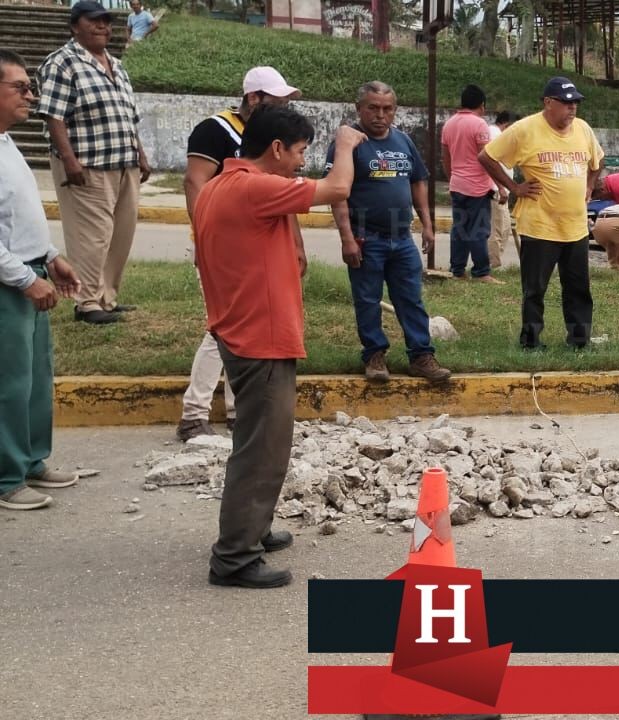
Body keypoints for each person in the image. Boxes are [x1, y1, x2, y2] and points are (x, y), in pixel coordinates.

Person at [193, 106, 364, 588]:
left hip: (239, 331)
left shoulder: (221, 185)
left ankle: (255, 530)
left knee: (256, 442)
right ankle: (235, 558)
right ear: (275, 149)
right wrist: (346, 146)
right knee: (262, 451)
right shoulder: (254, 186)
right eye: (300, 152)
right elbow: (338, 189)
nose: (301, 162)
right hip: (259, 338)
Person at [176, 66, 301, 442]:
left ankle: (238, 410)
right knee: (223, 330)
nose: (283, 108)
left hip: (261, 246)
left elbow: (282, 192)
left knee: (250, 331)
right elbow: (195, 182)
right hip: (227, 248)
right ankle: (194, 412)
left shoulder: (270, 138)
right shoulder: (215, 130)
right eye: (276, 101)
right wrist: (205, 240)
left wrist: (295, 243)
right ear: (254, 98)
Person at [0, 49, 83, 511]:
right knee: (8, 382)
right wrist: (23, 279)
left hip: (30, 271)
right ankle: (5, 477)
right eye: (20, 87)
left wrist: (50, 258)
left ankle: (30, 461)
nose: (30, 95)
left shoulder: (7, 142)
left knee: (34, 377)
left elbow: (16, 217)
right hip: (9, 281)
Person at [37, 1, 150, 325]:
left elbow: (128, 117)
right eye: (94, 21)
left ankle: (107, 298)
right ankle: (86, 303)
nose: (102, 26)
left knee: (121, 234)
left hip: (123, 162)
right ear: (75, 26)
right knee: (92, 235)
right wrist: (70, 161)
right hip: (87, 164)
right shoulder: (62, 62)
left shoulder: (116, 64)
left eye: (106, 21)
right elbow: (53, 115)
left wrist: (140, 154)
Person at [330, 81, 451, 384]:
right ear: (359, 109)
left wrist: (427, 224)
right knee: (368, 299)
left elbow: (418, 182)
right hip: (366, 237)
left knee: (411, 298)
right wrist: (347, 238)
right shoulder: (348, 143)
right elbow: (337, 194)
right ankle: (374, 354)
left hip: (402, 238)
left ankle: (421, 355)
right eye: (373, 108)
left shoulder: (404, 141)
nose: (380, 115)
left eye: (387, 109)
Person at [479, 77, 604, 350]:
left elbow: (597, 160)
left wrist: (590, 184)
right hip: (539, 226)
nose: (572, 109)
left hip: (575, 227)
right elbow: (487, 157)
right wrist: (513, 187)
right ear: (548, 103)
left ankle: (580, 341)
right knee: (535, 290)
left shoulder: (582, 129)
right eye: (566, 103)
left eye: (575, 103)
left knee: (578, 289)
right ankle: (531, 342)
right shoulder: (524, 130)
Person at [440, 84, 501, 283]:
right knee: (478, 229)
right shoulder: (479, 124)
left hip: (457, 184)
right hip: (477, 186)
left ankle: (457, 270)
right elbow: (486, 158)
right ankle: (482, 272)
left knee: (460, 228)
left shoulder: (449, 124)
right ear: (481, 105)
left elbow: (445, 158)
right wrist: (500, 186)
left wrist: (452, 179)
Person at [485, 110, 521, 269]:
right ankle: (492, 265)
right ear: (507, 125)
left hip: (500, 190)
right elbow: (489, 162)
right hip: (496, 190)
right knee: (498, 230)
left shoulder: (497, 134)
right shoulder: (495, 135)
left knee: (503, 228)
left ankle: (493, 263)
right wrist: (500, 187)